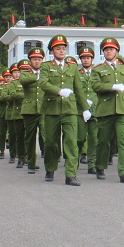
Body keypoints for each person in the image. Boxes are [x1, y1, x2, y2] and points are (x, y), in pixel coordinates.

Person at [90, 37, 124, 183]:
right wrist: (111, 87)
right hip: (105, 110)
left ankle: (123, 172)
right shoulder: (98, 69)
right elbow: (95, 86)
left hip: (123, 109)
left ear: (117, 52)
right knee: (103, 141)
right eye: (106, 49)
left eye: (111, 49)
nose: (108, 51)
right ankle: (100, 166)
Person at [39, 35, 90, 186]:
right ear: (52, 51)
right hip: (52, 109)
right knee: (50, 143)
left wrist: (85, 108)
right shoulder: (46, 66)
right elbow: (42, 83)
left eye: (63, 48)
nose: (61, 51)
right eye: (58, 48)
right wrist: (58, 91)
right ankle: (50, 168)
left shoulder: (72, 67)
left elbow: (78, 89)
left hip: (69, 109)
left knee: (71, 142)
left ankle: (70, 174)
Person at [20, 48, 47, 174]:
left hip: (43, 109)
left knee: (46, 136)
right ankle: (31, 163)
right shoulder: (26, 73)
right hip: (29, 109)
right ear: (30, 61)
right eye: (35, 59)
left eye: (39, 59)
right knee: (30, 138)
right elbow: (23, 81)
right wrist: (37, 76)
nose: (37, 61)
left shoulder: (46, 73)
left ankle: (49, 162)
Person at [77, 46, 99, 175]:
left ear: (92, 59)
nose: (86, 60)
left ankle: (92, 164)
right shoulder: (76, 73)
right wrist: (84, 103)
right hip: (80, 111)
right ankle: (76, 160)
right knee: (79, 138)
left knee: (94, 139)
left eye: (88, 58)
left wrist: (93, 102)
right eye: (84, 58)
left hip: (95, 110)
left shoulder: (97, 73)